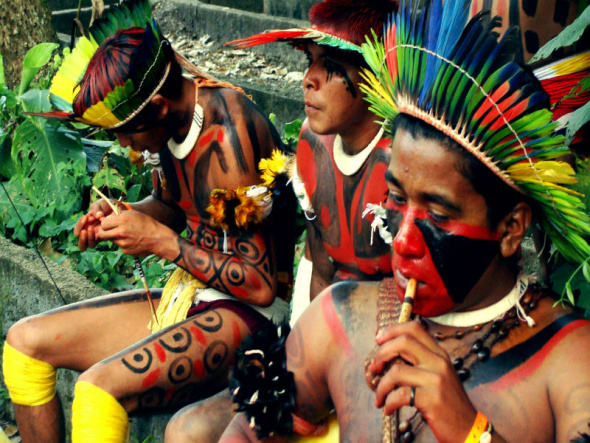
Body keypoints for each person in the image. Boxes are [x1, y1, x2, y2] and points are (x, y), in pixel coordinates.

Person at [219, 1, 590, 442]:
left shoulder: (569, 358)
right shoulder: (340, 318)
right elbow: (244, 432)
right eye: (395, 198)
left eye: (437, 213)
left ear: (511, 229)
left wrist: (469, 430)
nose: (404, 240)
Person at [1, 1, 296, 442]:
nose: (122, 142)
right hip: (191, 296)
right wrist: (125, 217)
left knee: (96, 393)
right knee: (24, 344)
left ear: (157, 105)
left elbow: (259, 285)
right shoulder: (172, 122)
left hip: (250, 317)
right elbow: (175, 205)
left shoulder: (227, 135)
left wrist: (160, 242)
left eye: (127, 130)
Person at [162, 2, 397, 442]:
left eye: (330, 67)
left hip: (389, 364)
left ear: (375, 77)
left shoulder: (405, 161)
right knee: (186, 431)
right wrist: (304, 364)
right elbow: (321, 268)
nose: (308, 79)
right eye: (309, 63)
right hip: (322, 348)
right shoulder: (313, 145)